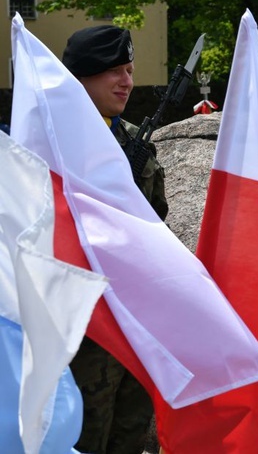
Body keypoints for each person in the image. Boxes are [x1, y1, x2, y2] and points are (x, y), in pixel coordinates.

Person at [62, 25, 168, 454]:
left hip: (135, 318)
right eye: (114, 72)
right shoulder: (53, 143)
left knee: (130, 431)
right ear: (83, 76)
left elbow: (157, 221)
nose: (127, 81)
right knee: (83, 437)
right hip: (84, 330)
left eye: (129, 69)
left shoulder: (131, 139)